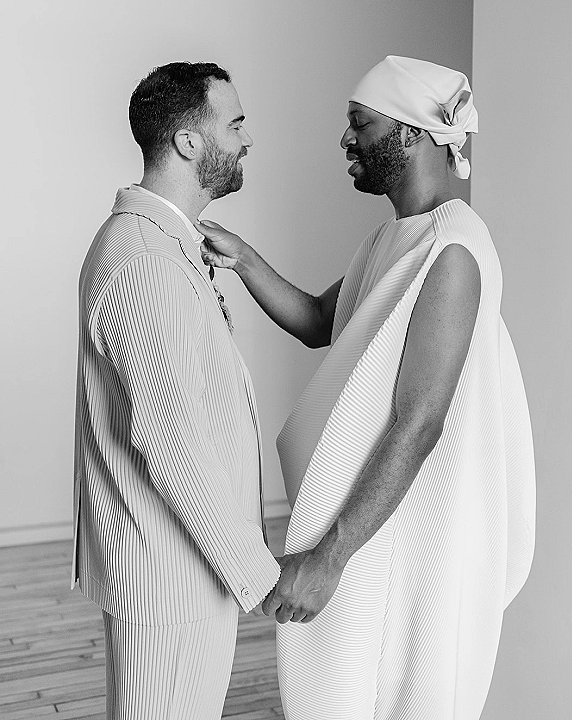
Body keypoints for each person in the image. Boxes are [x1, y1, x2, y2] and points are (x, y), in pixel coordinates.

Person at [196, 55, 536, 720]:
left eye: (361, 124)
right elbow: (325, 321)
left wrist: (328, 558)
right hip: (380, 525)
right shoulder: (391, 238)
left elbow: (420, 421)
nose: (346, 140)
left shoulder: (454, 250)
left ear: (411, 133)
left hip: (419, 539)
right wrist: (240, 257)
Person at [72, 62, 281, 720]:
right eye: (237, 124)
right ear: (189, 142)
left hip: (184, 572)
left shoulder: (166, 246)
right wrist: (260, 575)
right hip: (168, 582)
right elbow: (170, 439)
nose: (248, 140)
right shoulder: (143, 258)